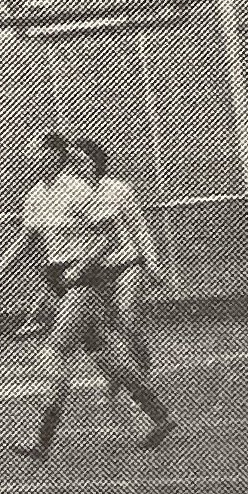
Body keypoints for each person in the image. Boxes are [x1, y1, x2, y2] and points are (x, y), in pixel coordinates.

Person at [0, 133, 172, 460]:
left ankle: (41, 441)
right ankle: (160, 416)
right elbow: (26, 238)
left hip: (82, 282)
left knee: (54, 352)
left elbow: (109, 236)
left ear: (53, 155)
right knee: (104, 356)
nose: (29, 157)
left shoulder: (78, 190)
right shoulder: (36, 195)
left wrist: (81, 267)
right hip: (60, 279)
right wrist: (0, 270)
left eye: (35, 152)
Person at [74, 139, 165, 380]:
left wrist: (152, 263)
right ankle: (118, 378)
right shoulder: (72, 197)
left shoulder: (118, 190)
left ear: (95, 163)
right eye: (72, 162)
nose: (76, 166)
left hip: (126, 265)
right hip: (95, 271)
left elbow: (139, 228)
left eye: (81, 161)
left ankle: (145, 375)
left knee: (128, 321)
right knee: (101, 331)